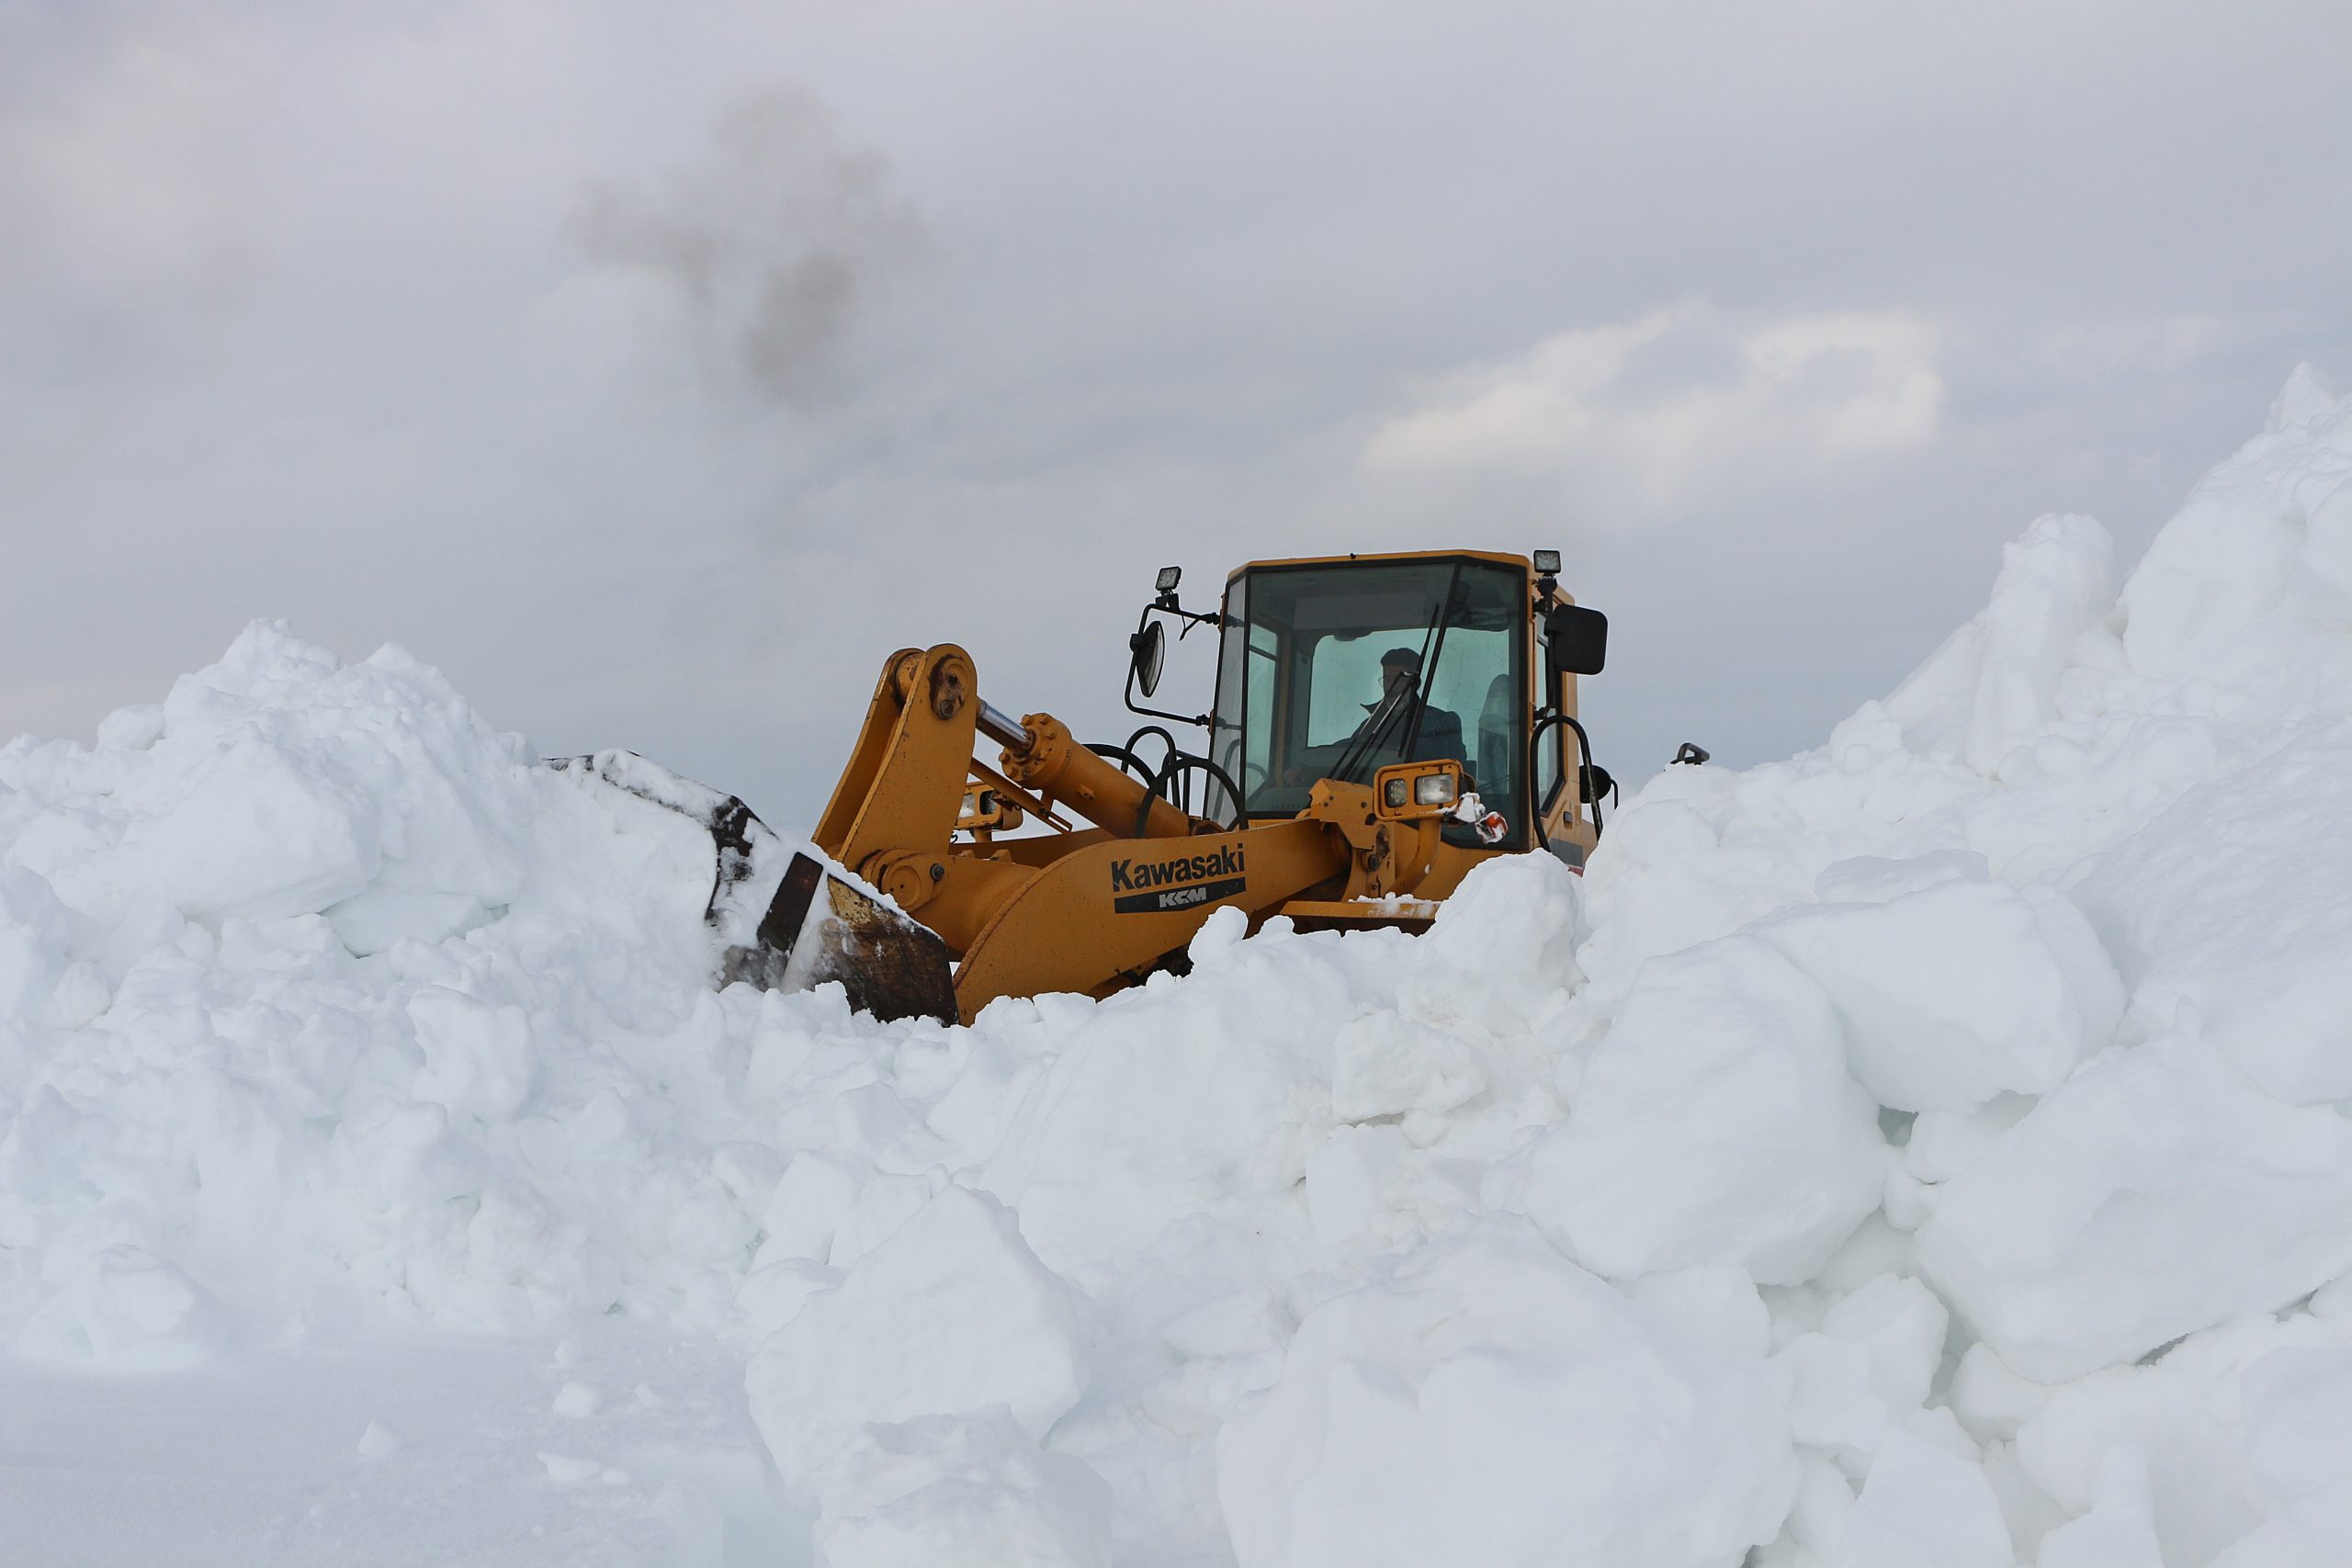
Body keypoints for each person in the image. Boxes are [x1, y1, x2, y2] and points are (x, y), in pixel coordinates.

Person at [1287, 646, 1464, 784]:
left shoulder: (1442, 723)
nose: (1390, 684)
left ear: (1414, 681)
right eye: (1386, 678)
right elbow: (1350, 751)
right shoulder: (1371, 723)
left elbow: (1454, 773)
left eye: (1398, 678)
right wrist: (1305, 769)